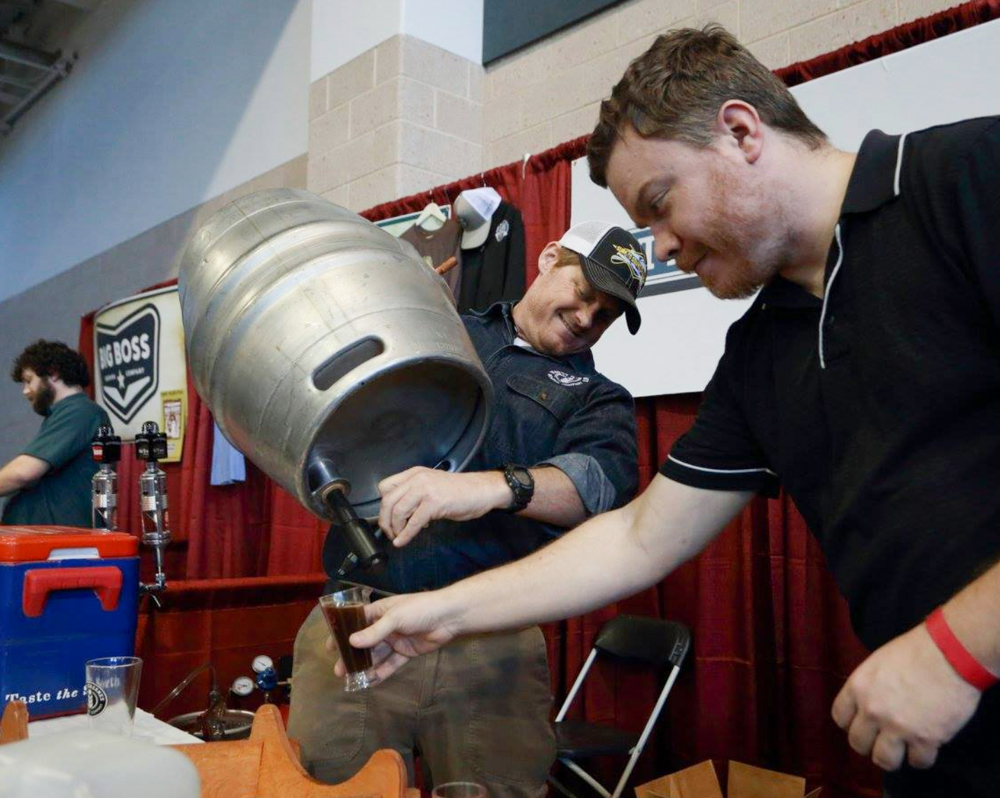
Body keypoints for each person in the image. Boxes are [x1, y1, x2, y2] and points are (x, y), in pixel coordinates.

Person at [335, 26, 1000, 798]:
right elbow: (640, 536)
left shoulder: (965, 179)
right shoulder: (760, 352)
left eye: (659, 204)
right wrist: (439, 612)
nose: (659, 249)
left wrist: (958, 650)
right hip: (942, 742)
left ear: (742, 131)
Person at [286, 222, 644, 797]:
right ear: (550, 258)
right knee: (326, 786)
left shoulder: (599, 397)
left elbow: (600, 488)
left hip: (493, 634)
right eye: (584, 292)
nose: (585, 318)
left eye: (604, 315)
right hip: (360, 618)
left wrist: (488, 487)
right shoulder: (441, 327)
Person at [1, 340, 110, 526]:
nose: (26, 391)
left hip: (62, 545)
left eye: (29, 380)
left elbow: (22, 473)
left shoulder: (80, 411)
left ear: (53, 373)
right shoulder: (65, 414)